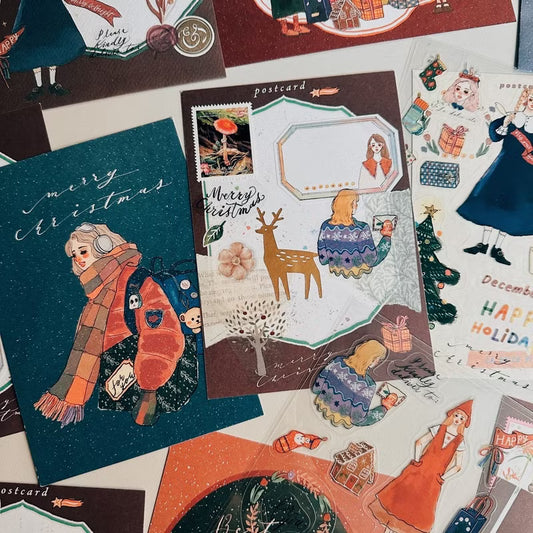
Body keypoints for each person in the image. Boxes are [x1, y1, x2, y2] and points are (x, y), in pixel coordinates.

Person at [34, 223, 184, 427]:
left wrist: (149, 389)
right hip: (110, 390)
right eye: (74, 254)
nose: (78, 259)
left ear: (103, 245)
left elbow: (162, 333)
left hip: (141, 391)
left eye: (83, 251)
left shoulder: (137, 282)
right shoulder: (96, 294)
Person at [369, 400, 473, 533]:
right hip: (426, 474)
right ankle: (388, 530)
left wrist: (440, 476)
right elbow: (420, 442)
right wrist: (420, 462)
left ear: (465, 422)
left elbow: (458, 466)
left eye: (462, 418)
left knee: (411, 504)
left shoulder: (459, 441)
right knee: (403, 501)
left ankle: (391, 530)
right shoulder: (440, 429)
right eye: (457, 415)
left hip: (428, 476)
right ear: (452, 415)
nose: (458, 419)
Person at [458, 88, 533, 266]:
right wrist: (506, 123)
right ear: (526, 99)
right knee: (490, 204)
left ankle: (497, 249)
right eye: (531, 99)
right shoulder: (514, 118)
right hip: (503, 169)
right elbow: (495, 136)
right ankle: (483, 244)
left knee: (510, 209)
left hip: (523, 176)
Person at [9, 0, 120, 101]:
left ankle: (53, 84)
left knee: (55, 43)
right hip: (33, 10)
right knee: (33, 48)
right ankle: (39, 86)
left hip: (52, 10)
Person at [312, 339, 396, 428]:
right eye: (378, 360)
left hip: (320, 404)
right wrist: (383, 409)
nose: (378, 363)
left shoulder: (337, 361)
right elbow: (357, 419)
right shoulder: (367, 385)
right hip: (340, 420)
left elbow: (316, 388)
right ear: (371, 359)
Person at [317, 189, 393, 279]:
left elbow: (323, 260)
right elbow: (371, 260)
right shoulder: (361, 228)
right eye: (355, 203)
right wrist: (386, 237)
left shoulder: (325, 226)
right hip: (360, 276)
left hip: (335, 275)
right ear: (349, 206)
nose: (356, 206)